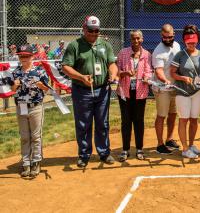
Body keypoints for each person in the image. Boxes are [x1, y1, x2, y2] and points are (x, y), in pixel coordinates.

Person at [62, 16, 118, 168]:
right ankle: (84, 154)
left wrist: (113, 74)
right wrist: (81, 77)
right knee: (83, 123)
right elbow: (66, 67)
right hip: (82, 91)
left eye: (97, 31)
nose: (94, 33)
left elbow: (112, 63)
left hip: (102, 91)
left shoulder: (105, 45)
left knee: (102, 122)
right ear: (84, 28)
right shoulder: (75, 46)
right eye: (90, 30)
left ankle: (104, 152)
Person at [8, 45, 50, 178]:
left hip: (35, 106)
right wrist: (15, 85)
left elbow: (47, 89)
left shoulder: (39, 71)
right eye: (21, 56)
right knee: (25, 137)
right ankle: (26, 163)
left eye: (26, 56)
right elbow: (13, 90)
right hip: (21, 107)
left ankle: (36, 162)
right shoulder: (16, 72)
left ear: (32, 56)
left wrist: (40, 85)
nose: (24, 58)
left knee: (36, 137)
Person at [170, 25, 200, 159]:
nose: (191, 44)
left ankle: (191, 144)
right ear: (184, 41)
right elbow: (172, 73)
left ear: (198, 40)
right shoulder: (179, 55)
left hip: (197, 92)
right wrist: (183, 78)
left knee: (194, 120)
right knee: (184, 119)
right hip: (182, 92)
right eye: (188, 42)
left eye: (194, 42)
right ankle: (185, 149)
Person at [116, 30, 152, 162]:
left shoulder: (147, 54)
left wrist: (146, 78)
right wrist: (126, 73)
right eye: (133, 39)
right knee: (126, 121)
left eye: (138, 38)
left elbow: (149, 71)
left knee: (139, 121)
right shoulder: (123, 53)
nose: (135, 41)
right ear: (130, 40)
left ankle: (139, 149)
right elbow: (116, 70)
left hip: (140, 92)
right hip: (125, 92)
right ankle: (125, 150)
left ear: (142, 39)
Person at [152, 24, 181, 154]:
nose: (168, 39)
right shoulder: (158, 51)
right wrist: (166, 81)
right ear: (161, 35)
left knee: (173, 114)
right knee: (161, 115)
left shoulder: (177, 46)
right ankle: (160, 144)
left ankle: (169, 139)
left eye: (170, 37)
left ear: (174, 35)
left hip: (175, 87)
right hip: (163, 88)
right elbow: (158, 71)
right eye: (165, 37)